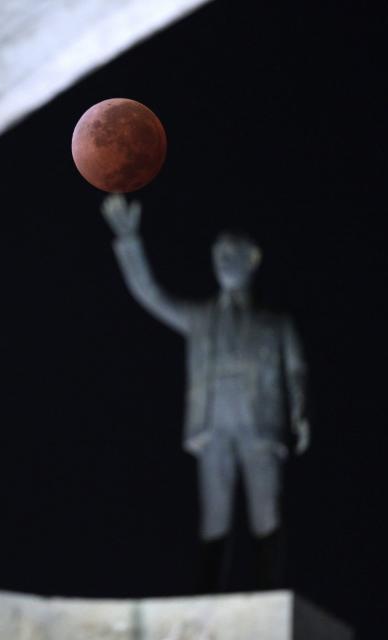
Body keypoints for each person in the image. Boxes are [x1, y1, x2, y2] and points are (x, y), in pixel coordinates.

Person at [101, 194, 309, 591]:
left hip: (259, 424)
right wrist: (129, 241)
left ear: (252, 259)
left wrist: (300, 412)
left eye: (232, 253)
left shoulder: (276, 324)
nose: (222, 260)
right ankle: (207, 595)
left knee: (267, 510)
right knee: (214, 516)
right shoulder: (200, 318)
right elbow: (150, 294)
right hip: (213, 424)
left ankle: (267, 592)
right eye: (218, 254)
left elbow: (296, 369)